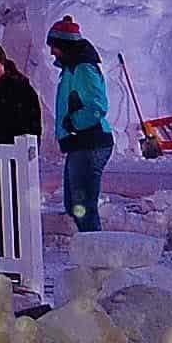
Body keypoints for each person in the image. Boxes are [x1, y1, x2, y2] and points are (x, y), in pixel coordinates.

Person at [47, 17, 113, 231]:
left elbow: (97, 106)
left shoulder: (83, 68)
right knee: (75, 206)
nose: (52, 52)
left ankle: (97, 258)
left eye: (54, 46)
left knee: (83, 208)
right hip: (81, 144)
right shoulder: (71, 68)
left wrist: (74, 123)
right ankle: (92, 253)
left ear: (65, 45)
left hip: (90, 143)